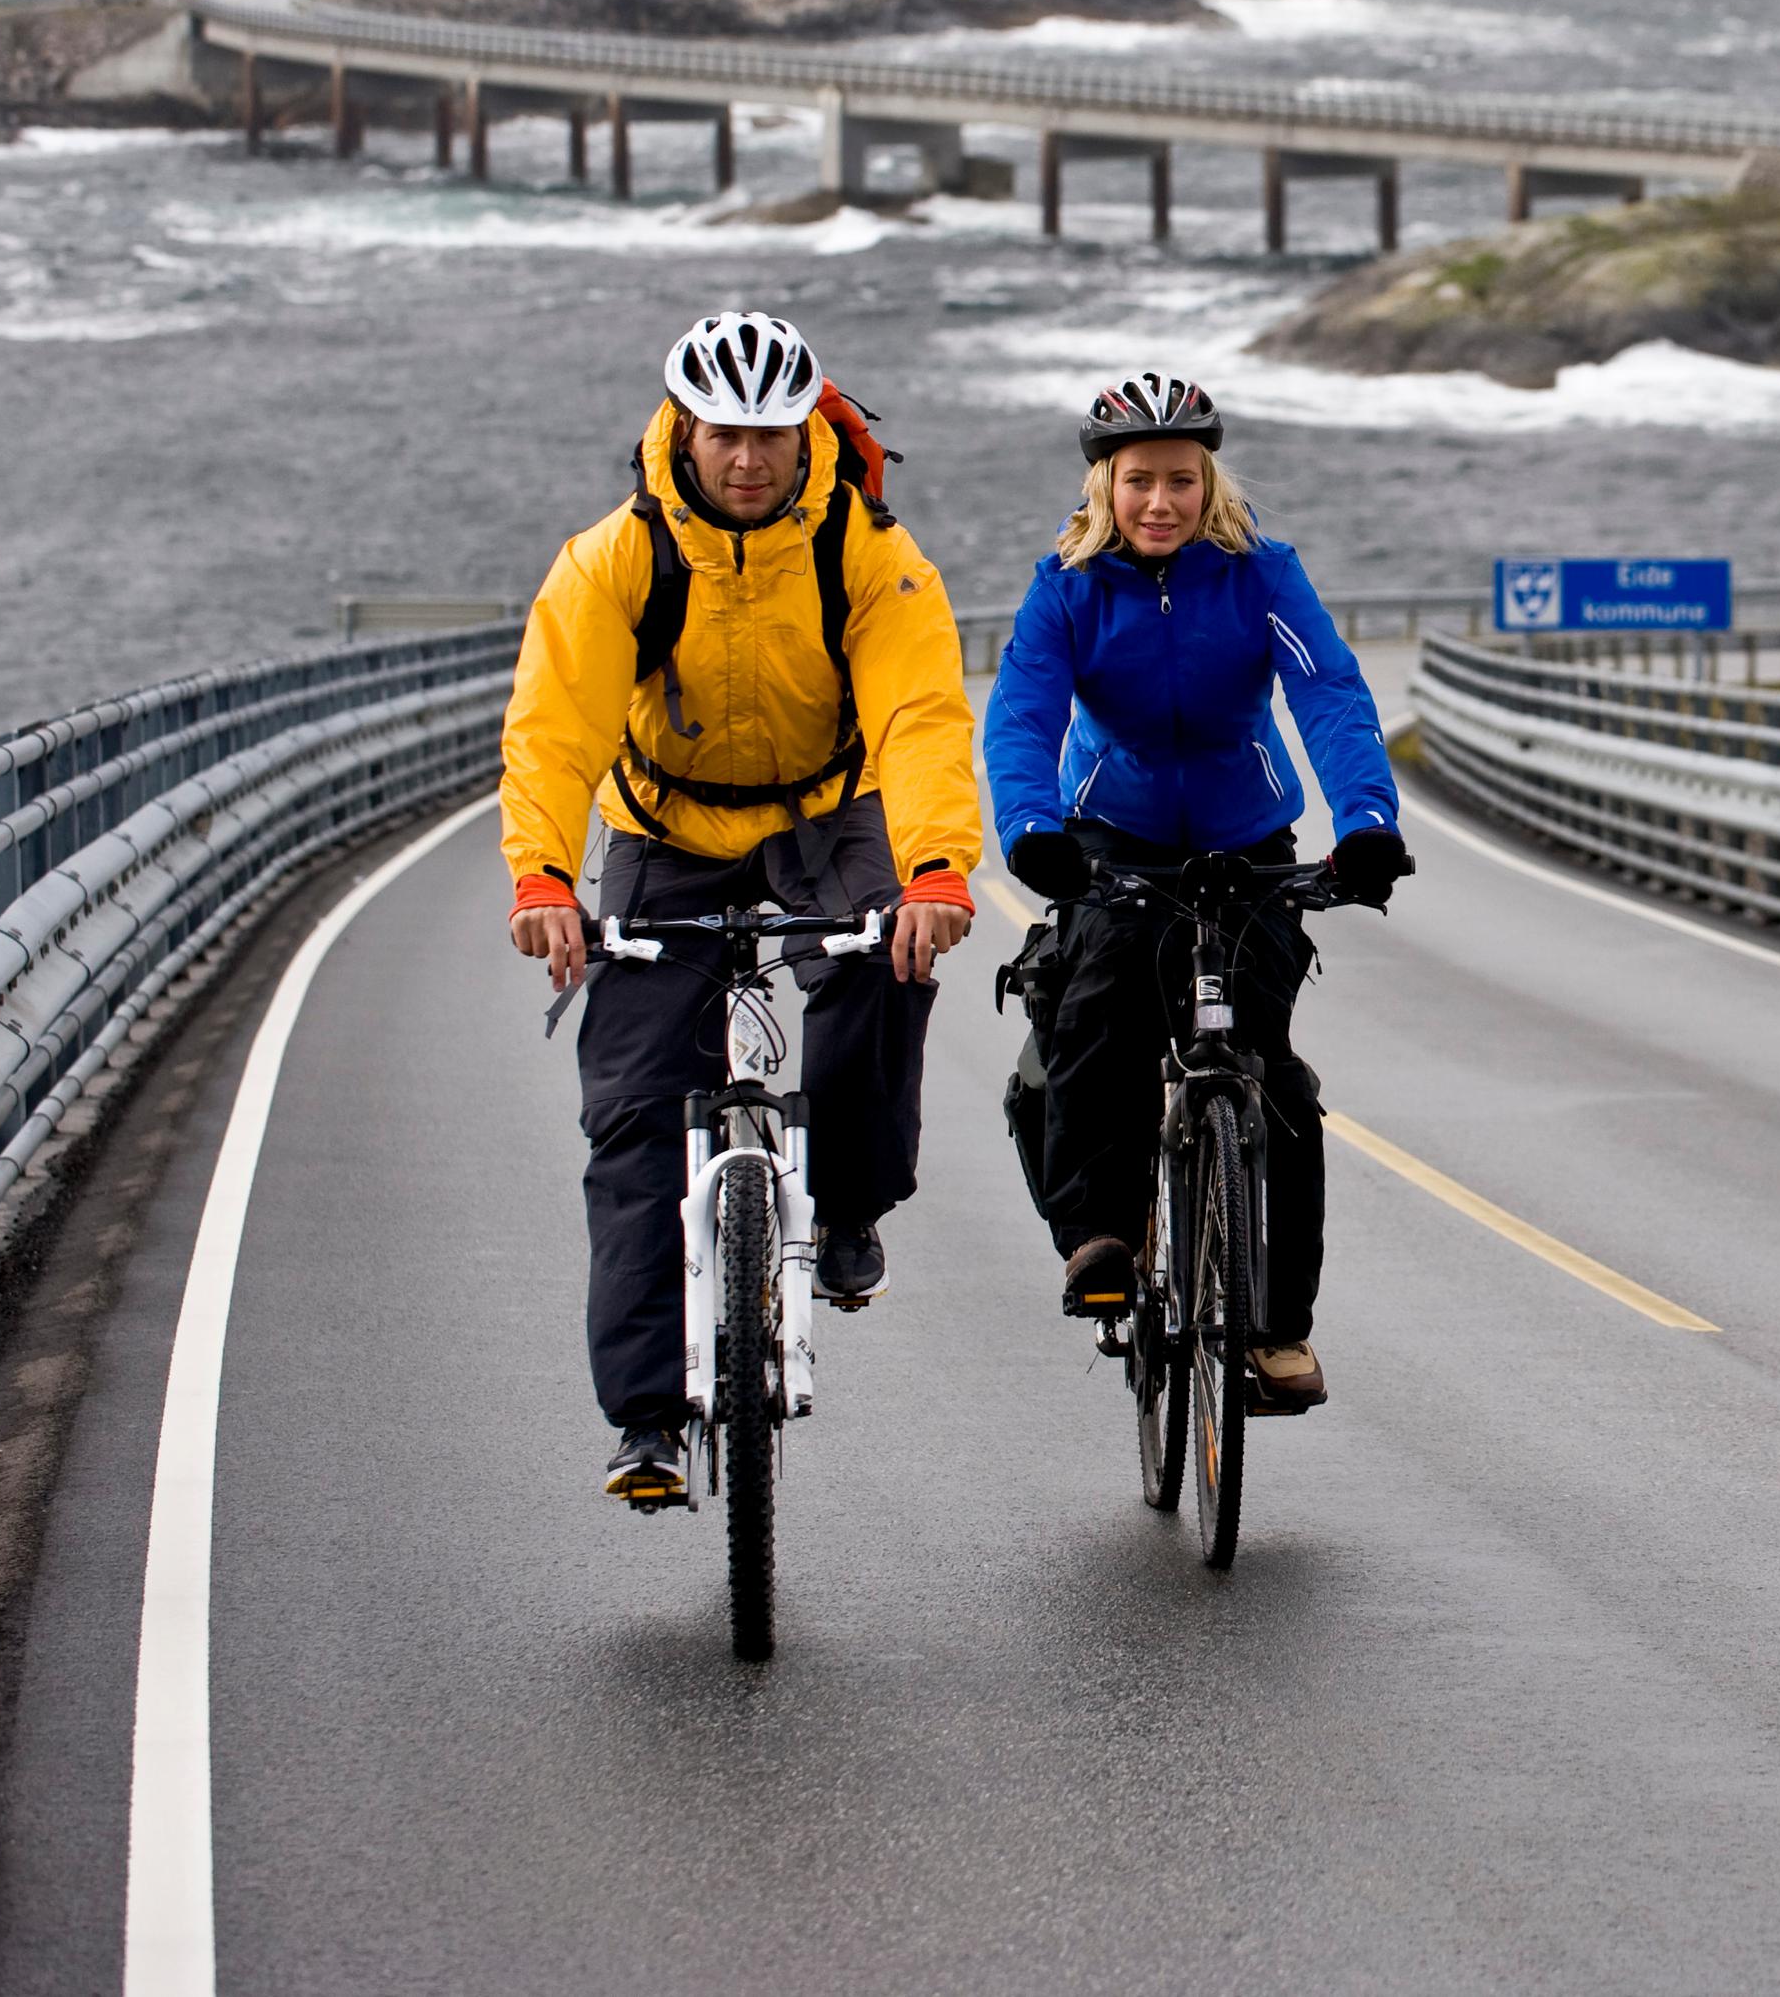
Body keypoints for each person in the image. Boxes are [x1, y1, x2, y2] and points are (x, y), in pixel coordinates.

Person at [501, 311, 981, 1507]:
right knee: (631, 1115)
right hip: (668, 826)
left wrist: (934, 868)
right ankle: (649, 1421)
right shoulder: (614, 558)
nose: (750, 460)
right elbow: (556, 729)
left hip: (829, 808)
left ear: (803, 430)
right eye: (726, 435)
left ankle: (854, 1203)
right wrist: (544, 876)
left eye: (770, 434)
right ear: (685, 431)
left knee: (886, 961)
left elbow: (921, 714)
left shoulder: (869, 552)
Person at [984, 372, 1409, 1414]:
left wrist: (1366, 823)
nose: (1160, 501)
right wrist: (1032, 829)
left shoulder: (1262, 574)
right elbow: (1023, 715)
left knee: (1273, 1081)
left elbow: (1329, 690)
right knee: (1096, 1010)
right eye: (1139, 481)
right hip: (1109, 836)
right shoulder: (1066, 586)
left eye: (1180, 479)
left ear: (1208, 481)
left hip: (1242, 837)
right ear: (1106, 486)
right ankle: (1103, 1237)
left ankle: (1275, 1331)